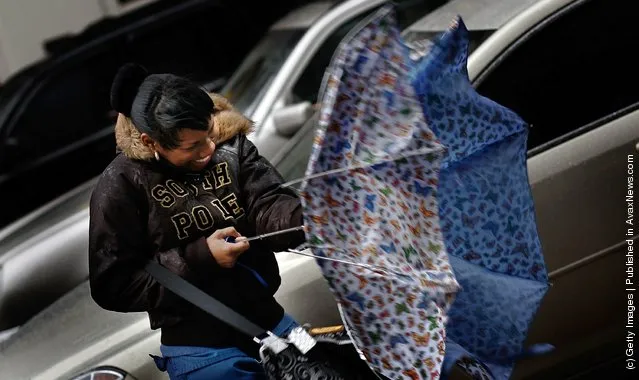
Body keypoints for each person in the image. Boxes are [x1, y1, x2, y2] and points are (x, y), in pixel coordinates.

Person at [88, 63, 306, 379]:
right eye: (192, 146)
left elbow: (268, 204)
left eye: (209, 133)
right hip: (201, 352)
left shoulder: (232, 146)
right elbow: (113, 284)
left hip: (274, 323)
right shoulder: (121, 184)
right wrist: (200, 257)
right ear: (150, 142)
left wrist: (305, 220)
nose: (209, 149)